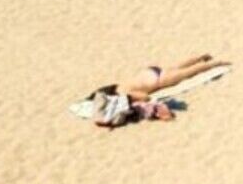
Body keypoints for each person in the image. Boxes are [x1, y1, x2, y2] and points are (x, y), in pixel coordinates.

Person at [86, 54, 228, 129]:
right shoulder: (118, 86)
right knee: (178, 66)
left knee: (190, 72)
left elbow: (145, 96)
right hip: (150, 71)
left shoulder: (125, 94)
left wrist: (133, 101)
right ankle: (199, 57)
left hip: (158, 81)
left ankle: (217, 63)